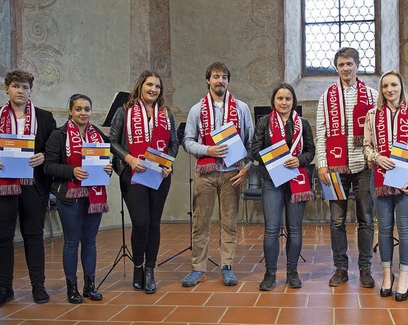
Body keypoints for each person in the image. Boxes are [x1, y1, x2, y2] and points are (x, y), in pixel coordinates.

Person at [0, 69, 56, 309]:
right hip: (2, 184)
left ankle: (38, 286)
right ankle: (4, 289)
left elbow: (53, 151)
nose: (21, 91)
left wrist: (42, 157)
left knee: (34, 235)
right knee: (1, 237)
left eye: (25, 87)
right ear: (7, 89)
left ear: (31, 91)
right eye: (16, 86)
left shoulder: (45, 117)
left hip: (34, 185)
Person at [181, 62, 254, 287]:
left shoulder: (241, 108)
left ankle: (227, 267)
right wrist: (208, 150)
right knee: (201, 222)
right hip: (205, 173)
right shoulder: (196, 109)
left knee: (229, 223)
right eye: (215, 76)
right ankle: (198, 268)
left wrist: (246, 168)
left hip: (232, 174)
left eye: (223, 77)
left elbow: (251, 143)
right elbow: (187, 141)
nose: (220, 80)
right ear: (208, 80)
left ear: (228, 81)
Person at [109, 70, 179, 294]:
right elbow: (111, 141)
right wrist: (129, 159)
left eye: (157, 86)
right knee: (141, 223)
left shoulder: (166, 113)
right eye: (149, 85)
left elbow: (174, 144)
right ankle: (137, 266)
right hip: (133, 174)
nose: (153, 89)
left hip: (159, 175)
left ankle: (150, 270)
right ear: (140, 86)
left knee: (154, 223)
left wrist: (168, 163)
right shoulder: (124, 111)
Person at [315, 47, 378, 288]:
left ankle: (365, 268)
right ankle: (340, 268)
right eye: (341, 65)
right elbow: (321, 132)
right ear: (336, 67)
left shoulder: (371, 96)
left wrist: (374, 157)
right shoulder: (326, 97)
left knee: (365, 219)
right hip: (335, 167)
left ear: (357, 65)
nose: (345, 68)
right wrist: (322, 164)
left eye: (349, 64)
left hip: (363, 165)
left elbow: (376, 131)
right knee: (336, 221)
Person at [364, 71, 408, 302]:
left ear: (401, 86)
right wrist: (376, 157)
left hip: (406, 180)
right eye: (385, 86)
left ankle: (404, 276)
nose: (390, 89)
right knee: (385, 228)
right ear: (381, 89)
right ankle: (388, 274)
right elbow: (367, 146)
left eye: (394, 85)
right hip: (379, 178)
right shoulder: (372, 114)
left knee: (405, 227)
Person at [44, 94, 111, 303]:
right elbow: (47, 166)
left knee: (90, 242)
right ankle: (71, 287)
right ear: (70, 111)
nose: (83, 113)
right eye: (79, 109)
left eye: (87, 109)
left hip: (94, 195)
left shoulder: (98, 134)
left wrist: (108, 169)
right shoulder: (59, 135)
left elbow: (106, 160)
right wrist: (72, 170)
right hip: (69, 195)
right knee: (72, 242)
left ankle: (90, 286)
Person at [251, 83, 315, 291]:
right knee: (272, 229)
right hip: (272, 180)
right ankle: (270, 274)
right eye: (280, 98)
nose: (284, 102)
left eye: (288, 99)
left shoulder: (302, 123)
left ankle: (292, 272)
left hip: (297, 179)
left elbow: (310, 151)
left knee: (295, 229)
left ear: (293, 101)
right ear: (273, 101)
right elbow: (255, 150)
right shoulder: (264, 123)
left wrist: (299, 160)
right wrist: (274, 160)